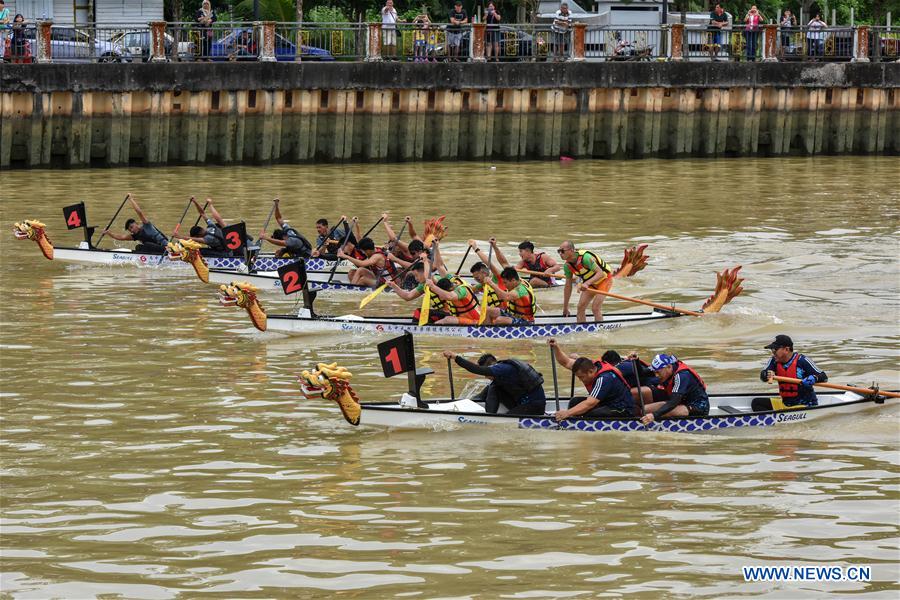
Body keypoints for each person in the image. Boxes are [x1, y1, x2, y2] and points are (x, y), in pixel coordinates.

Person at [548, 340, 641, 417]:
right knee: (574, 402)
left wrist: (567, 413)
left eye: (581, 377)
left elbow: (590, 403)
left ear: (591, 372)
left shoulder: (604, 378)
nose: (580, 380)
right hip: (605, 403)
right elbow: (566, 362)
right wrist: (556, 347)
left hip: (622, 409)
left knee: (592, 414)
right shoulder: (588, 365)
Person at [442, 350, 546, 415]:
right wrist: (462, 406)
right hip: (522, 402)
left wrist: (455, 357)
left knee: (506, 422)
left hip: (534, 406)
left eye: (486, 374)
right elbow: (481, 396)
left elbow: (476, 369)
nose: (486, 377)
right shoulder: (500, 373)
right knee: (494, 387)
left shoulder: (502, 369)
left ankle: (489, 418)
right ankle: (489, 416)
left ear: (490, 366)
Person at [760, 334, 828, 407]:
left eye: (775, 349)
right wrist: (765, 375)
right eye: (772, 349)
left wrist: (815, 378)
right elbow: (763, 375)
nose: (773, 352)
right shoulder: (774, 361)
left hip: (805, 406)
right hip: (786, 405)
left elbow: (824, 377)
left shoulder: (802, 361)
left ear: (786, 349)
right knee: (757, 403)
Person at [640, 354, 710, 425]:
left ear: (669, 367)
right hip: (681, 401)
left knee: (652, 412)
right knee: (645, 410)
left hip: (698, 407)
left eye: (658, 372)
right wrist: (635, 360)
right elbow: (642, 372)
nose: (656, 375)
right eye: (655, 372)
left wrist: (654, 415)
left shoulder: (681, 375)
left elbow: (674, 401)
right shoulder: (663, 367)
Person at [557, 240, 612, 323]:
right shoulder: (567, 266)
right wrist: (565, 307)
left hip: (604, 280)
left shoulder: (585, 258)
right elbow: (568, 287)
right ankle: (582, 331)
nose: (560, 254)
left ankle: (601, 331)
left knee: (595, 308)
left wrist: (586, 283)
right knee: (580, 307)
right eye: (559, 251)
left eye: (562, 251)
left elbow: (600, 273)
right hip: (591, 283)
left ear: (572, 250)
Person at [385, 257, 451, 323]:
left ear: (424, 272)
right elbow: (407, 296)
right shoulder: (423, 285)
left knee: (418, 312)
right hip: (441, 313)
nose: (416, 279)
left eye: (416, 275)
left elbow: (430, 274)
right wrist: (393, 285)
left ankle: (415, 330)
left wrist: (425, 260)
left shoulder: (435, 280)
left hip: (451, 314)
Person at [100, 194, 169, 253]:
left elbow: (139, 212)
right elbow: (121, 237)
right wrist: (108, 233)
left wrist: (131, 199)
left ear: (136, 223)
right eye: (130, 230)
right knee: (138, 247)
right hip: (157, 250)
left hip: (166, 248)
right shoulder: (135, 235)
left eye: (132, 227)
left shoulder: (147, 225)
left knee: (147, 244)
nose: (132, 230)